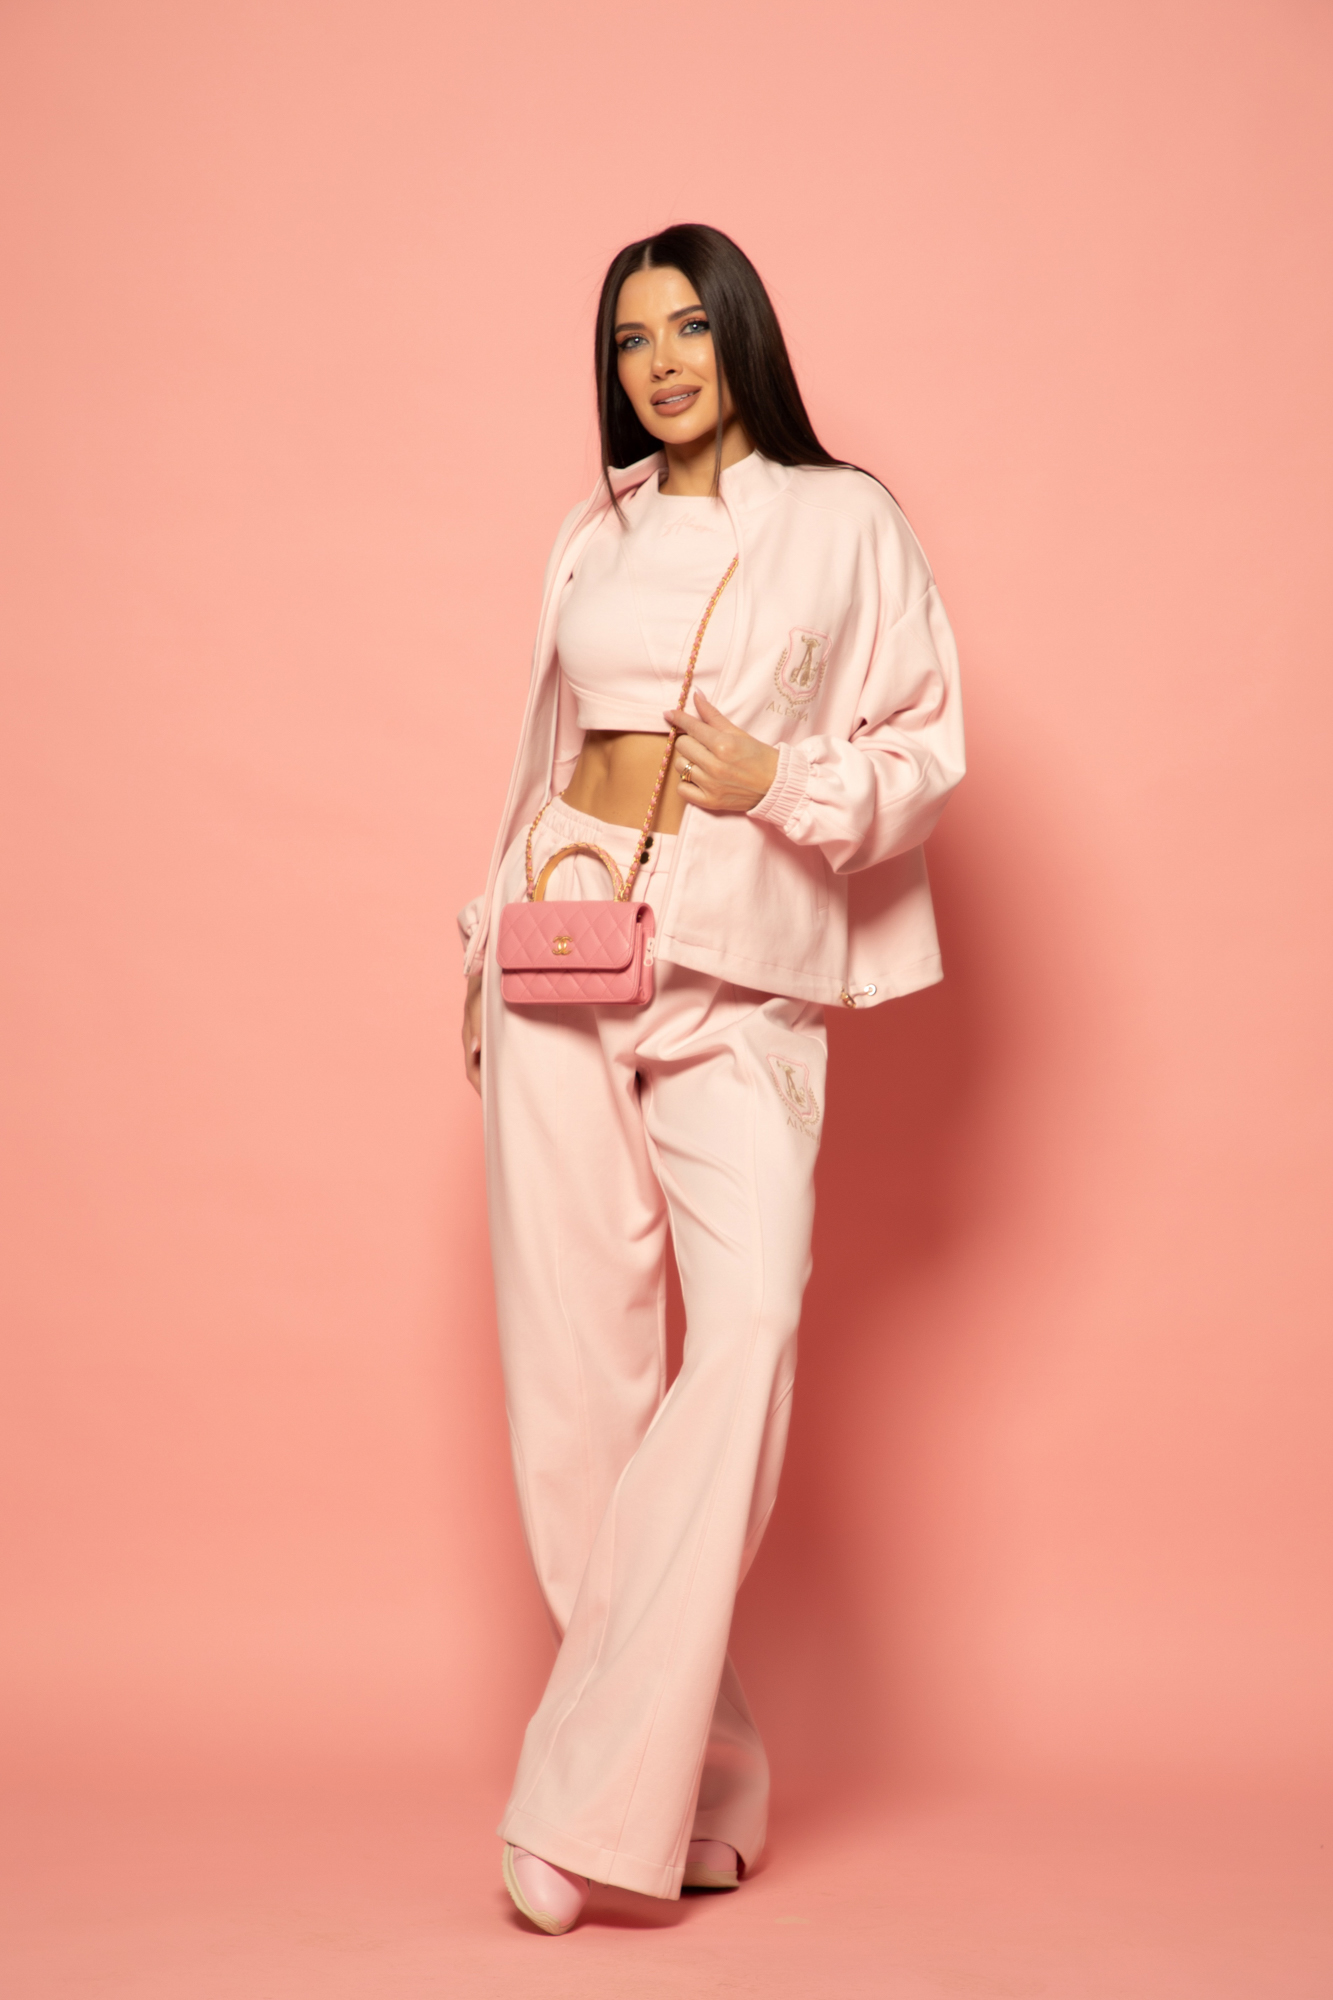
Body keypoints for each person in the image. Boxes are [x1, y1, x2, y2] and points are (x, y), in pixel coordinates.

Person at [458, 223, 964, 1934]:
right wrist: (483, 935)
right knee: (575, 1394)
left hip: (738, 968)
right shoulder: (589, 531)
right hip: (557, 942)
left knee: (740, 1333)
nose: (661, 362)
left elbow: (925, 749)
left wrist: (781, 780)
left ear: (742, 334)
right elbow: (540, 746)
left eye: (687, 327)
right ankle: (703, 1779)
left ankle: (577, 1799)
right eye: (630, 339)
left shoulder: (846, 519)